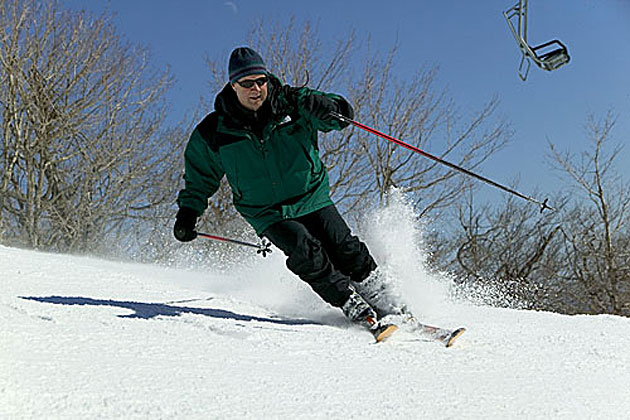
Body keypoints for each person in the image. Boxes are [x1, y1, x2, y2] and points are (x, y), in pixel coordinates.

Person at [174, 47, 403, 338]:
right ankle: (350, 302)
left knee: (344, 247)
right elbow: (200, 176)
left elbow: (341, 119)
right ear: (233, 86)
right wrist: (189, 211)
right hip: (265, 210)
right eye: (247, 83)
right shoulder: (214, 131)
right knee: (305, 252)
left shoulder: (294, 105)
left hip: (310, 193)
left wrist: (330, 106)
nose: (256, 89)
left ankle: (385, 298)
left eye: (260, 80)